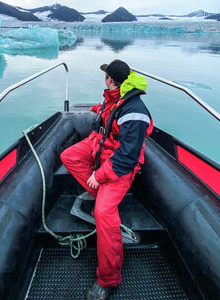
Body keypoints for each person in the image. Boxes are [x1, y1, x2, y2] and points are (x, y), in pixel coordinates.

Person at [61, 59, 153, 300]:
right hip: (100, 147)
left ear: (110, 79)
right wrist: (96, 109)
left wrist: (98, 176)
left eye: (106, 75)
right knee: (68, 156)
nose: (104, 78)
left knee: (103, 213)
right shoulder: (116, 97)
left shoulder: (135, 112)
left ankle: (108, 279)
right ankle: (100, 195)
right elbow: (108, 111)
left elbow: (127, 158)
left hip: (118, 165)